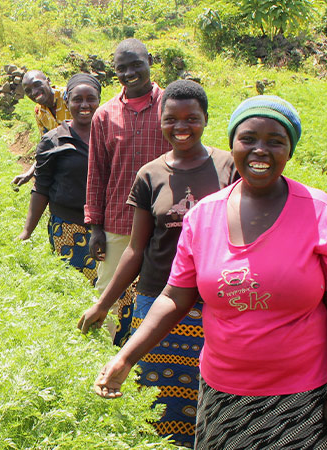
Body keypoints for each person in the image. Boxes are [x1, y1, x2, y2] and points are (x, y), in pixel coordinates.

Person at [93, 95, 327, 449]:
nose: (260, 150)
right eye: (248, 139)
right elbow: (174, 297)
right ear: (233, 145)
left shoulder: (319, 212)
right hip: (221, 392)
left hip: (299, 396)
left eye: (275, 141)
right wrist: (125, 357)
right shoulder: (203, 216)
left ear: (290, 150)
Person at [77, 80, 237, 448]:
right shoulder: (150, 174)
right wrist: (103, 304)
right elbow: (136, 249)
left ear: (206, 119)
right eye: (171, 119)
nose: (181, 127)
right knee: (157, 401)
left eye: (191, 118)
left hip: (215, 300)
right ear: (160, 121)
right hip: (157, 297)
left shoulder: (229, 167)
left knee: (212, 394)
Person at [84, 39, 172, 346]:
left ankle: (152, 359)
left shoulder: (171, 107)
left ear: (150, 61)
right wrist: (96, 226)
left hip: (165, 223)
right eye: (122, 68)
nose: (129, 73)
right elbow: (96, 173)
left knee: (162, 295)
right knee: (106, 294)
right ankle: (99, 357)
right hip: (118, 222)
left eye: (136, 65)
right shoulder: (104, 115)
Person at [17, 73, 101, 285]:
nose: (84, 105)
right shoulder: (52, 140)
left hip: (108, 227)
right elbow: (41, 187)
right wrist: (26, 232)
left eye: (90, 99)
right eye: (77, 100)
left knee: (112, 291)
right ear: (67, 101)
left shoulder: (112, 136)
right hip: (69, 227)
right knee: (75, 288)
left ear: (99, 101)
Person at [11, 70, 74, 186]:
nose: (34, 92)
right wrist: (29, 174)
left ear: (48, 81)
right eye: (28, 91)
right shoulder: (39, 112)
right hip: (65, 164)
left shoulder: (69, 96)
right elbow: (47, 147)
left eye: (37, 84)